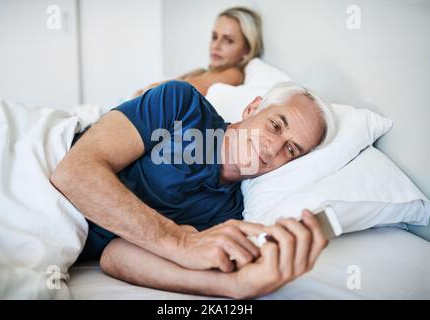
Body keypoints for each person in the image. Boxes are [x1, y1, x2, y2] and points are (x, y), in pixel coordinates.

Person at [50, 80, 335, 298]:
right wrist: (178, 241)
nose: (272, 148)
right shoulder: (182, 105)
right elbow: (74, 173)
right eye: (274, 125)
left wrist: (237, 285)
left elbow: (115, 257)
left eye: (291, 149)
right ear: (252, 108)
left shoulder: (229, 215)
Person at [133, 6, 264, 97]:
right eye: (214, 37)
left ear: (247, 50)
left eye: (228, 40)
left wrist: (144, 92)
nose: (216, 46)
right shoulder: (200, 72)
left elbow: (175, 91)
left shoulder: (234, 73)